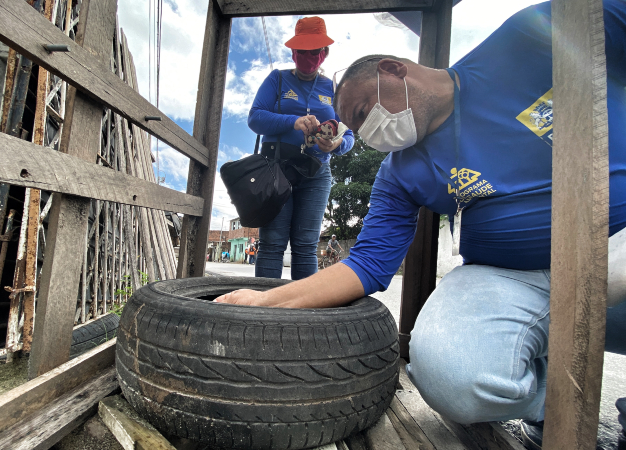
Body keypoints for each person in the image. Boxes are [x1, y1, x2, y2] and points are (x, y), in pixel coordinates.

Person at [218, 2, 626, 448]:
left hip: (616, 240)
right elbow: (367, 265)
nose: (369, 132)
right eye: (357, 126)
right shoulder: (399, 172)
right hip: (510, 277)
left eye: (362, 113)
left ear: (395, 69)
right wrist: (264, 304)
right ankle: (553, 399)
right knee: (448, 371)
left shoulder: (528, 38)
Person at [248, 16, 354, 280]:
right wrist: (293, 122)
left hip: (316, 173)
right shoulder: (278, 80)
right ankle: (265, 311)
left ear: (325, 53)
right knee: (272, 244)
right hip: (276, 170)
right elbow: (255, 118)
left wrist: (337, 144)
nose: (308, 58)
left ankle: (303, 314)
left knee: (306, 246)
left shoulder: (333, 88)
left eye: (315, 51)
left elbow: (349, 133)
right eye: (302, 52)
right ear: (293, 53)